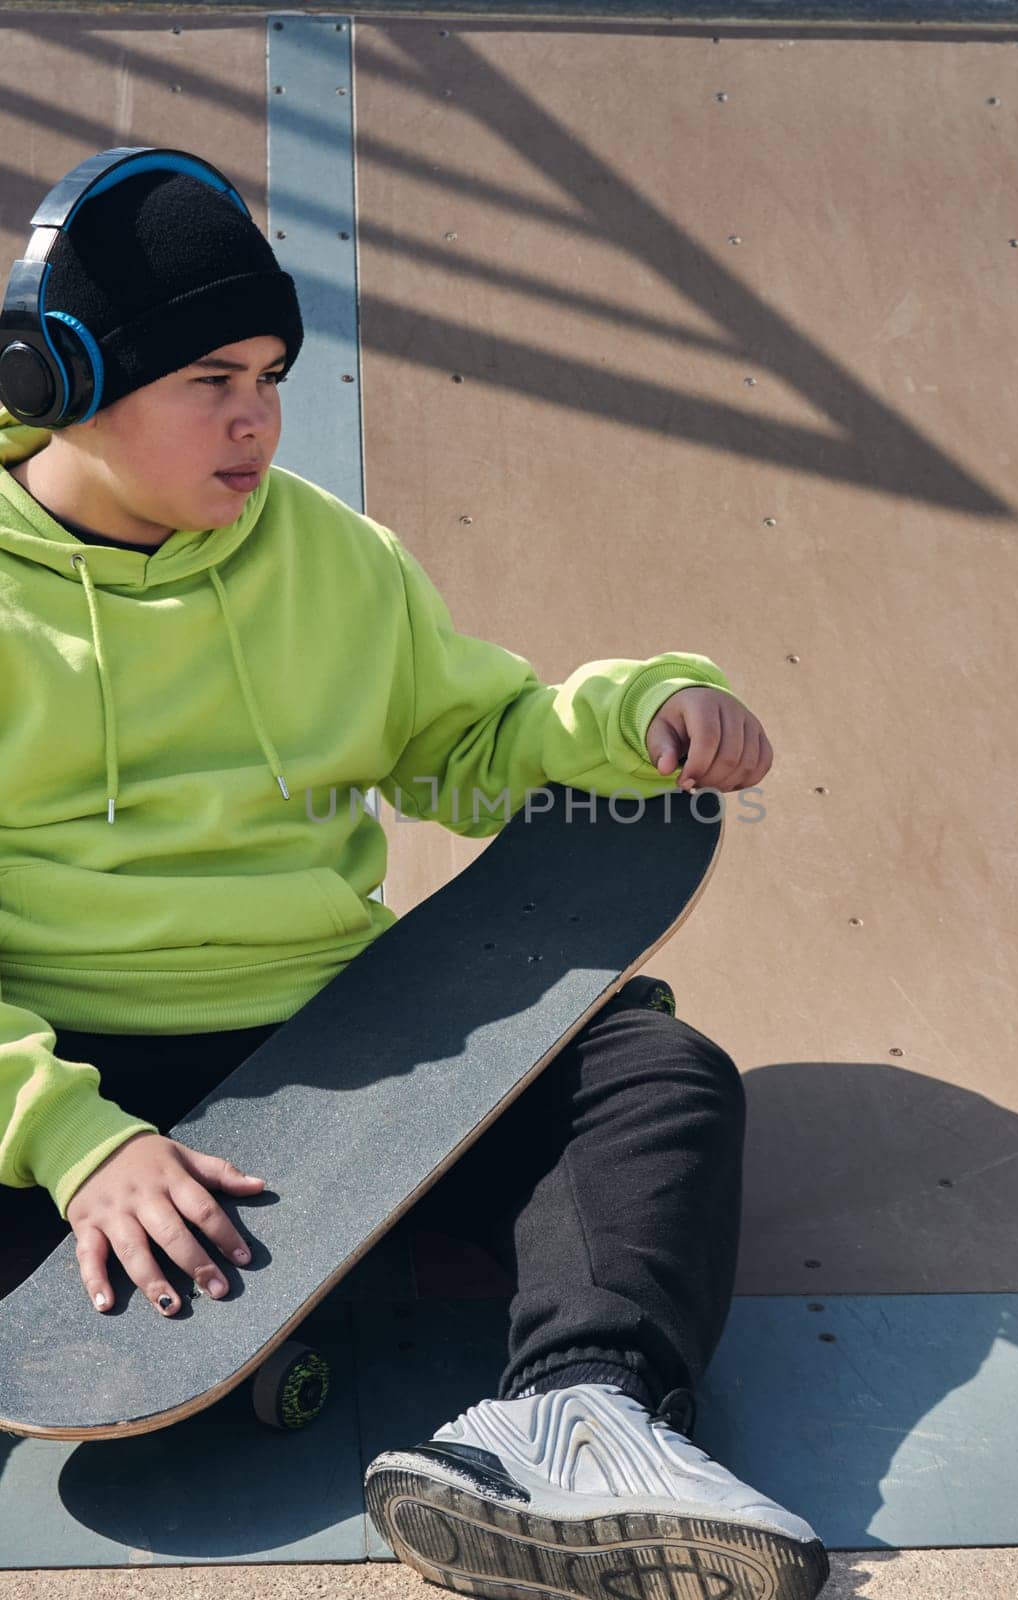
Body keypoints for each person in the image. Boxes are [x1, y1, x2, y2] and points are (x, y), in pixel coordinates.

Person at [0, 152, 828, 1598]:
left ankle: (580, 1422)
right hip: (59, 1057)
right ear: (61, 379)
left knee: (650, 1072)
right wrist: (77, 1140)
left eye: (272, 371)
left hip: (337, 1036)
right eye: (210, 378)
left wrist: (640, 712)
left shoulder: (331, 558)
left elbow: (473, 737)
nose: (259, 417)